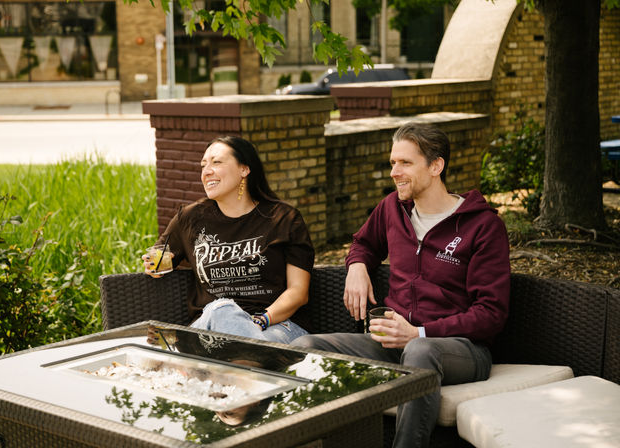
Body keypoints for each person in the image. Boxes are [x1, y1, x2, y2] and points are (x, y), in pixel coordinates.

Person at [292, 122, 510, 448]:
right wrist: (357, 267)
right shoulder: (392, 208)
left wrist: (419, 333)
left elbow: (491, 314)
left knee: (420, 350)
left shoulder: (483, 226)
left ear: (436, 166)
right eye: (392, 163)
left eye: (405, 163)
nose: (394, 172)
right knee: (305, 349)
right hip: (392, 345)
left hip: (459, 349)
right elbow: (363, 244)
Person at [142, 136, 315, 344]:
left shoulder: (283, 219)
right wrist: (155, 264)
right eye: (203, 165)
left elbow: (298, 292)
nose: (206, 171)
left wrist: (258, 321)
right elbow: (159, 259)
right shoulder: (190, 218)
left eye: (216, 162)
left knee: (226, 323)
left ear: (244, 169)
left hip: (276, 326)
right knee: (221, 311)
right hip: (209, 326)